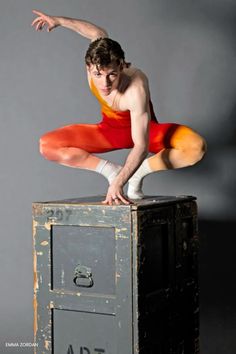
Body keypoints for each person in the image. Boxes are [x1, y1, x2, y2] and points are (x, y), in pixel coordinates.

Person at [31, 10, 207, 205]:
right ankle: (111, 170)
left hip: (146, 133)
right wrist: (59, 21)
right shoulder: (98, 57)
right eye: (98, 75)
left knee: (195, 147)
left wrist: (120, 183)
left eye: (112, 75)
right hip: (109, 132)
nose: (105, 83)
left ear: (122, 65)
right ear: (89, 67)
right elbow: (96, 32)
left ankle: (138, 173)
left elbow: (141, 146)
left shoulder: (136, 86)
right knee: (47, 145)